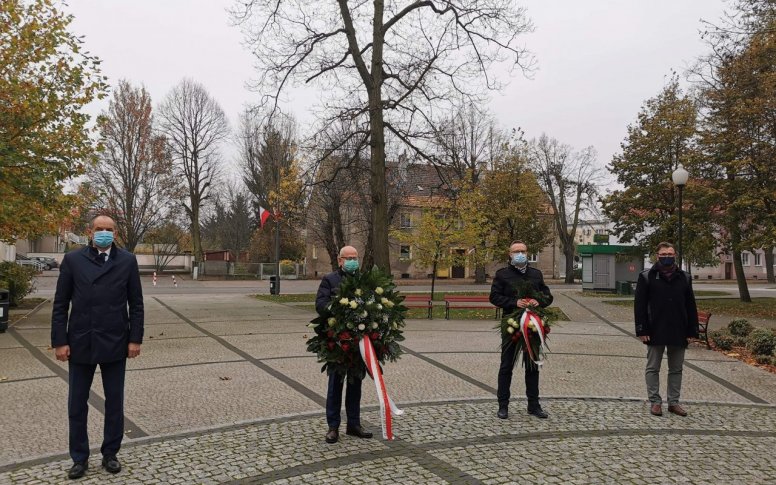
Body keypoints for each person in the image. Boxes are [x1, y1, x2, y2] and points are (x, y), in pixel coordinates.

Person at [51, 215, 144, 479]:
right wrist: (60, 341)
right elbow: (60, 304)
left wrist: (135, 339)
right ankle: (79, 458)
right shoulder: (73, 260)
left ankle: (110, 453)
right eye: (99, 229)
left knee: (115, 402)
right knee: (76, 404)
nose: (104, 233)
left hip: (115, 341)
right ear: (90, 232)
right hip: (81, 341)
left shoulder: (127, 260)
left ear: (116, 233)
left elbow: (136, 304)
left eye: (109, 230)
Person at [315, 245, 373, 444]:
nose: (352, 261)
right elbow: (320, 304)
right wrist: (339, 310)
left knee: (355, 385)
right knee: (335, 386)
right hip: (338, 343)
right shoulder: (330, 280)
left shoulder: (364, 280)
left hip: (358, 343)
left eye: (355, 257)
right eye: (348, 258)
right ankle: (333, 427)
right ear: (340, 260)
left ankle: (354, 424)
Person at [490, 241, 554, 420]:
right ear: (509, 254)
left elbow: (548, 296)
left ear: (528, 253)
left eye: (523, 251)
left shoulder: (536, 274)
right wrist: (513, 303)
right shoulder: (502, 274)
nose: (520, 254)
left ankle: (534, 405)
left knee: (533, 366)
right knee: (506, 366)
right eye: (516, 251)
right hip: (512, 325)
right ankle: (503, 406)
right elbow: (494, 296)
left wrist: (538, 301)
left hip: (532, 325)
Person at [634, 241, 699, 417]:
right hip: (655, 329)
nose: (667, 257)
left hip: (679, 329)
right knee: (653, 367)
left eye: (670, 254)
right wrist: (642, 329)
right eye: (664, 255)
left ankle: (673, 402)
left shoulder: (684, 277)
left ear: (675, 255)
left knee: (676, 368)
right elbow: (639, 306)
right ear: (657, 256)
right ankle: (655, 401)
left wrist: (693, 330)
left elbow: (690, 304)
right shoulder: (647, 276)